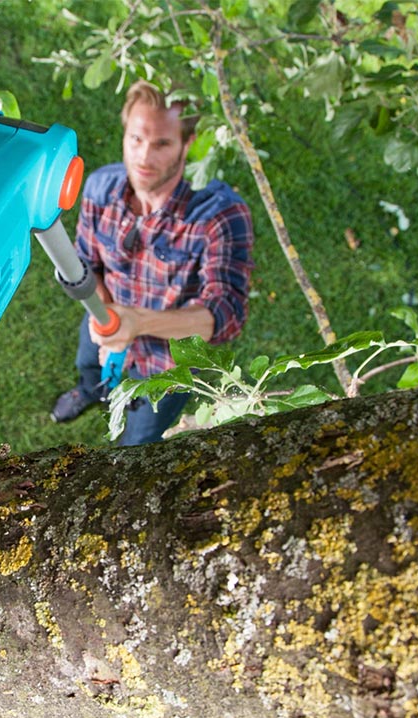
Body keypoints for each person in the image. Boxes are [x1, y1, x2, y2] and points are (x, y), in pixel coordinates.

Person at [50, 80, 255, 445]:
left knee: (138, 443)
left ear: (187, 143)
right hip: (102, 319)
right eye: (136, 139)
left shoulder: (218, 216)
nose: (144, 157)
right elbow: (87, 262)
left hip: (166, 366)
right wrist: (109, 317)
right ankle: (90, 391)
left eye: (162, 144)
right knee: (89, 367)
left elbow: (225, 315)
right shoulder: (101, 187)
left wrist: (137, 322)